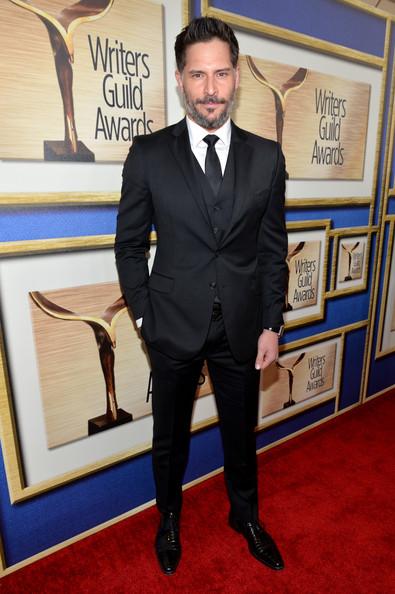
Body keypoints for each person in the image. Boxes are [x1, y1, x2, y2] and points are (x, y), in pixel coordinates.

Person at [115, 16, 288, 575]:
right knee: (170, 439)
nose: (210, 89)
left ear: (236, 77)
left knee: (242, 433)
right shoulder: (147, 155)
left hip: (241, 326)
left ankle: (246, 516)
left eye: (220, 74)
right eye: (198, 76)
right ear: (180, 80)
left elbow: (271, 250)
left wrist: (271, 324)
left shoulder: (266, 157)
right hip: (171, 326)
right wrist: (145, 319)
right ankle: (169, 518)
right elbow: (129, 247)